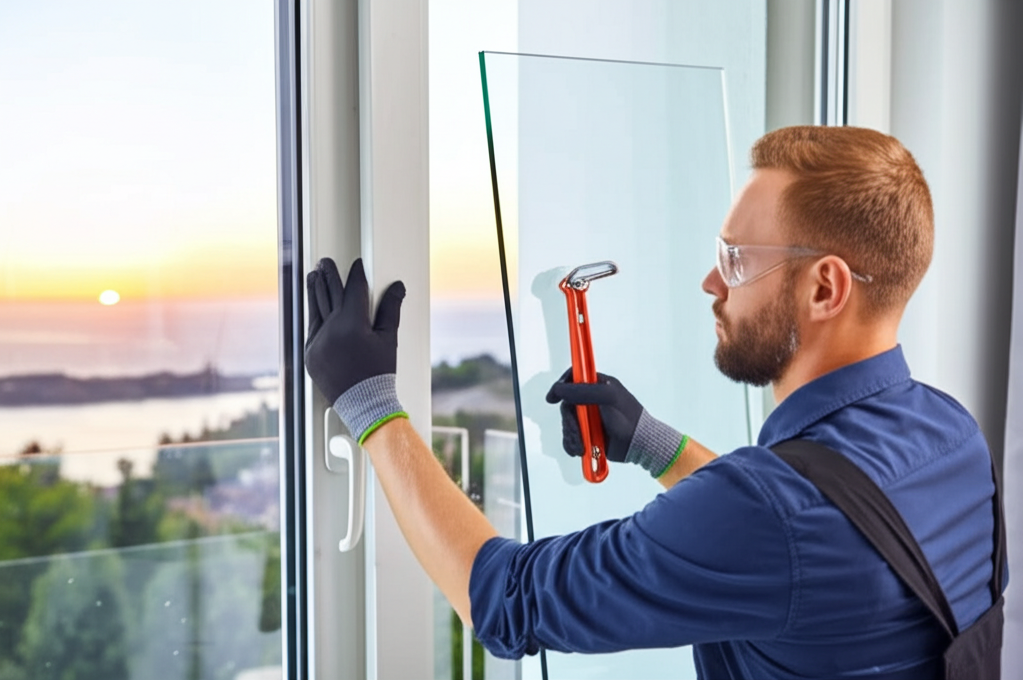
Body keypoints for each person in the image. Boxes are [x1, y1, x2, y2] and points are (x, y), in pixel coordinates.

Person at [304, 125, 1004, 679]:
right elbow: (820, 529)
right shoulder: (953, 436)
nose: (711, 281)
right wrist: (650, 442)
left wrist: (372, 407)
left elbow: (506, 601)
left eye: (737, 260)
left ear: (826, 288)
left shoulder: (770, 513)